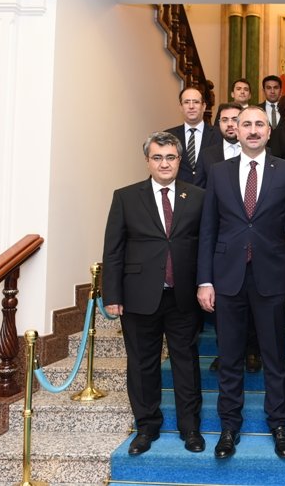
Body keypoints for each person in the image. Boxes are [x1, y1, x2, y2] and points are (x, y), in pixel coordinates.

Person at [197, 106, 285, 461]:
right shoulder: (219, 171)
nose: (253, 130)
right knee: (229, 358)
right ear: (235, 131)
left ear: (269, 131)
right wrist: (204, 280)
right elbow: (208, 229)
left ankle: (279, 424)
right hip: (227, 277)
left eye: (260, 124)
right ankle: (229, 426)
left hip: (271, 276)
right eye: (247, 124)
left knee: (275, 357)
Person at [102, 132, 205, 456]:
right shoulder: (125, 197)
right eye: (157, 157)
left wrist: (206, 284)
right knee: (142, 364)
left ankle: (190, 428)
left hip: (183, 296)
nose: (164, 163)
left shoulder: (198, 196)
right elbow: (113, 250)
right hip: (138, 296)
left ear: (179, 161)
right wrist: (111, 294)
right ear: (147, 161)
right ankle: (146, 427)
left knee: (186, 364)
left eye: (170, 157)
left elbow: (205, 245)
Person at [199, 102, 262, 374]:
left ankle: (252, 350)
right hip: (226, 251)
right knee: (226, 317)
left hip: (260, 255)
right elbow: (205, 206)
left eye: (236, 119)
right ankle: (226, 353)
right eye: (225, 120)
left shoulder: (272, 161)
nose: (231, 124)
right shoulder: (211, 160)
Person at [165, 86, 219, 188]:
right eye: (186, 102)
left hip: (210, 193)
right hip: (179, 193)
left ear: (204, 106)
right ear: (181, 107)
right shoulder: (169, 136)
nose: (191, 106)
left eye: (196, 102)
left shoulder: (219, 135)